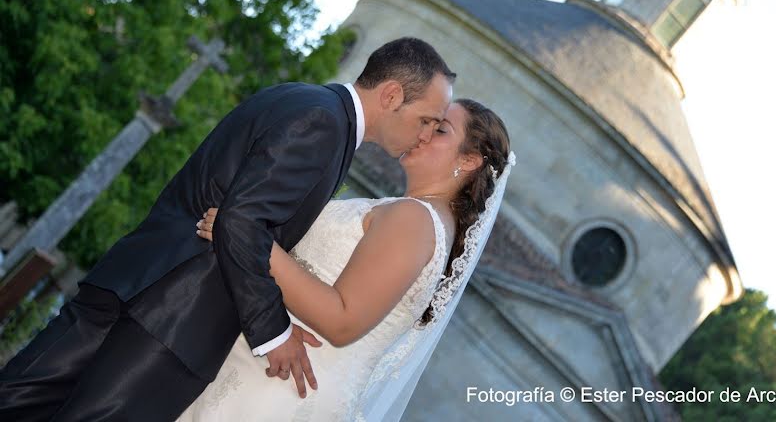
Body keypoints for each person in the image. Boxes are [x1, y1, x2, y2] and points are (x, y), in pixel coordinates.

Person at [0, 37, 455, 421]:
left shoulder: (302, 99)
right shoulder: (324, 123)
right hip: (174, 319)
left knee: (16, 401)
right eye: (427, 121)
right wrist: (273, 333)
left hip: (137, 284)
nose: (425, 135)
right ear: (392, 95)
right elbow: (241, 221)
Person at [178, 98, 512, 422]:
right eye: (427, 123)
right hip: (281, 373)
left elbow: (342, 321)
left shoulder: (415, 219)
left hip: (282, 384)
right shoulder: (422, 218)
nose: (423, 133)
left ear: (469, 160)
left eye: (440, 130)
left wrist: (247, 238)